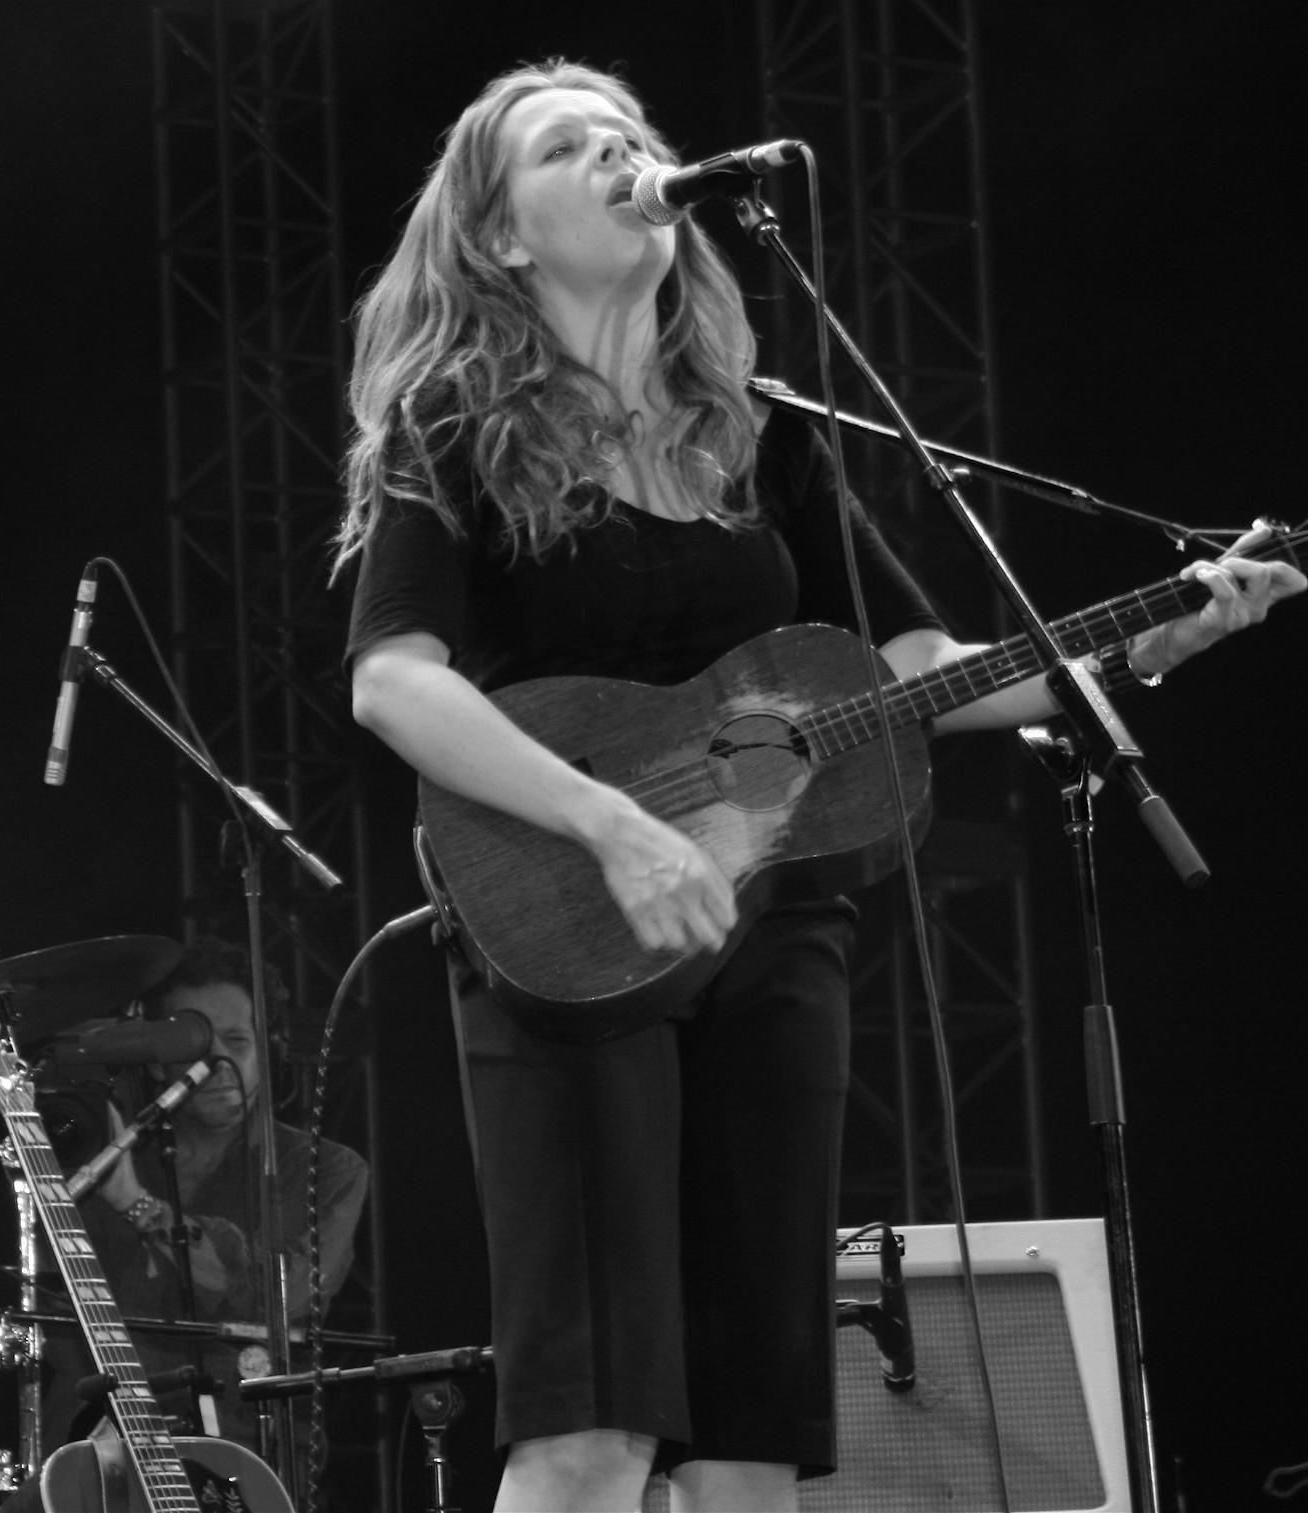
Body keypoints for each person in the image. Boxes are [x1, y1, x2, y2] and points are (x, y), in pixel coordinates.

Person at [337, 59, 1302, 1513]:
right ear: (500, 237)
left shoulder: (759, 431)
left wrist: (1147, 642)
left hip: (780, 921)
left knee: (752, 1427)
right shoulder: (451, 433)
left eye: (631, 136)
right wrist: (607, 824)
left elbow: (908, 661)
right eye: (568, 147)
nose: (622, 155)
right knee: (589, 1420)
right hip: (561, 918)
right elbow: (392, 678)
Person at [43, 935, 370, 1457]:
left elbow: (275, 1304)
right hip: (96, 1444)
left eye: (237, 1041)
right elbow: (49, 1316)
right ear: (154, 1061)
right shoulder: (95, 1151)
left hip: (248, 1447)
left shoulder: (326, 1169)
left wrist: (137, 1204)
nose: (218, 1063)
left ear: (269, 1050)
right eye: (196, 1044)